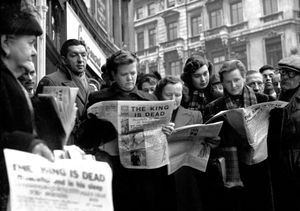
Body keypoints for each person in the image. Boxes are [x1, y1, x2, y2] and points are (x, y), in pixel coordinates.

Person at [87, 50, 174, 211]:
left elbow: (156, 137)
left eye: (133, 73)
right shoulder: (98, 98)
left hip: (143, 171)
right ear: (113, 74)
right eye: (124, 74)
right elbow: (87, 136)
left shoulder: (149, 99)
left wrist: (165, 131)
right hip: (114, 167)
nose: (130, 78)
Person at [0, 6, 54, 210]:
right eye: (30, 43)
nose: (34, 51)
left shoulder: (12, 81)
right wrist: (30, 144)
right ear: (6, 43)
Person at [206, 60, 272, 211]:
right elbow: (210, 138)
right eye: (228, 82)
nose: (233, 85)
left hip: (260, 164)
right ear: (222, 83)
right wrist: (213, 141)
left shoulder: (264, 100)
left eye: (236, 80)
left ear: (243, 78)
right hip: (231, 167)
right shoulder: (214, 107)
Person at [155, 75, 204, 211]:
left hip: (185, 175)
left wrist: (209, 140)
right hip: (159, 174)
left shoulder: (195, 115)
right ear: (159, 94)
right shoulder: (152, 115)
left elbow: (200, 145)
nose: (173, 99)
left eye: (177, 95)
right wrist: (158, 132)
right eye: (168, 95)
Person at [36, 39, 91, 144]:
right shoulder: (51, 81)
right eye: (74, 55)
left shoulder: (91, 85)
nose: (80, 60)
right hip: (64, 146)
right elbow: (43, 125)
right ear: (64, 60)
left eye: (83, 55)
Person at [267, 54, 300, 211]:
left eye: (290, 73)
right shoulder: (278, 99)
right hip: (280, 166)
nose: (284, 77)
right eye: (282, 72)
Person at [181, 55, 220, 120]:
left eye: (205, 74)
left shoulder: (217, 96)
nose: (203, 79)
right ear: (189, 77)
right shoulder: (182, 97)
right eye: (197, 76)